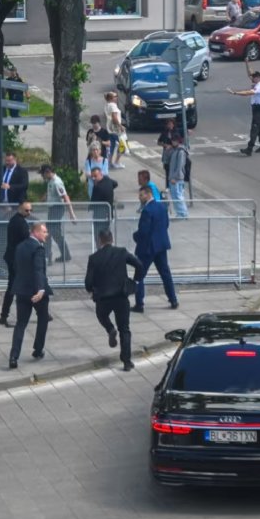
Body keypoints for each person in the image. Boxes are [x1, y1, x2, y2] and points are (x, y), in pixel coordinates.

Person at [85, 229, 144, 371]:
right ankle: (127, 361)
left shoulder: (94, 258)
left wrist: (92, 290)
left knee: (102, 315)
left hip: (103, 298)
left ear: (100, 241)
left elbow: (88, 282)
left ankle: (110, 328)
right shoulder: (121, 252)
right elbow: (139, 265)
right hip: (121, 296)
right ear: (112, 239)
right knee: (125, 329)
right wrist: (135, 280)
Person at [8, 222, 52, 369]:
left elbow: (16, 267)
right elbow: (38, 270)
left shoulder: (20, 246)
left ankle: (14, 356)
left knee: (21, 324)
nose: (47, 234)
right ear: (36, 232)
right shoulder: (38, 248)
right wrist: (40, 289)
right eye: (44, 232)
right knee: (43, 318)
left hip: (21, 289)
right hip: (35, 291)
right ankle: (38, 349)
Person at [132, 185, 178, 313]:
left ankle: (139, 303)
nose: (139, 198)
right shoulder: (162, 207)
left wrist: (135, 236)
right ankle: (173, 299)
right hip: (161, 245)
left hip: (148, 248)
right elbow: (166, 224)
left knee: (139, 275)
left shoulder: (147, 211)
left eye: (141, 195)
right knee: (165, 273)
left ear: (148, 194)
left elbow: (144, 231)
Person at [0, 201, 32, 327]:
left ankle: (4, 315)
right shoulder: (20, 223)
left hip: (13, 258)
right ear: (20, 209)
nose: (29, 213)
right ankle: (4, 315)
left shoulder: (16, 220)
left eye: (30, 210)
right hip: (16, 260)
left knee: (16, 287)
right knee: (16, 287)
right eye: (26, 210)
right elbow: (26, 239)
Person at [228, 61, 260, 156]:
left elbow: (247, 93)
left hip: (259, 108)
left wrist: (235, 93)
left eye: (253, 79)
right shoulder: (257, 81)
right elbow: (250, 73)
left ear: (258, 78)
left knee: (254, 129)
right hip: (256, 108)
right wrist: (247, 62)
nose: (251, 80)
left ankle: (249, 149)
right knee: (259, 128)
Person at [40, 164, 75, 264]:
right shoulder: (50, 180)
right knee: (56, 234)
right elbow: (49, 192)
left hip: (57, 209)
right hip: (52, 209)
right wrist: (43, 198)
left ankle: (48, 256)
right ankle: (65, 254)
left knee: (48, 233)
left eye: (43, 174)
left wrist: (72, 214)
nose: (42, 176)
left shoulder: (57, 182)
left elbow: (65, 197)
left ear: (47, 172)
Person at [89, 167, 116, 242]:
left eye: (95, 176)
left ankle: (100, 250)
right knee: (106, 234)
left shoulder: (98, 187)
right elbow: (115, 183)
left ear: (101, 174)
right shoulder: (108, 180)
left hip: (100, 214)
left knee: (99, 235)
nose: (94, 178)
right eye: (92, 177)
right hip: (108, 213)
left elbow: (94, 201)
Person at [167, 135, 189, 219]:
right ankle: (182, 213)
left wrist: (174, 178)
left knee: (177, 196)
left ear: (178, 141)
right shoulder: (174, 150)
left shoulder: (180, 151)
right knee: (177, 196)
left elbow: (180, 166)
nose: (173, 142)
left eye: (174, 141)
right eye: (172, 141)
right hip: (176, 177)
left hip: (176, 178)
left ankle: (182, 213)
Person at [5, 66, 30, 133]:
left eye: (13, 71)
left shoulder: (19, 79)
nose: (12, 72)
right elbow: (6, 89)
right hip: (11, 98)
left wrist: (28, 97)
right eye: (11, 71)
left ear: (16, 71)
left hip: (18, 98)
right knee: (12, 114)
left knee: (15, 113)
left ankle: (16, 128)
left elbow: (25, 88)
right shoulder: (8, 79)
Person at [104, 91, 125, 170]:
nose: (117, 98)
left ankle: (109, 163)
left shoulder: (107, 105)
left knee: (111, 146)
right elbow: (114, 117)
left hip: (110, 129)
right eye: (115, 96)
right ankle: (117, 162)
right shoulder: (113, 106)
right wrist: (120, 126)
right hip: (116, 129)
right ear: (111, 98)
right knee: (123, 145)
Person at [157, 118, 177, 189]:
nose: (170, 126)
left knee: (174, 170)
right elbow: (159, 142)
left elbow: (179, 142)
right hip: (166, 153)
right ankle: (168, 186)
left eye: (171, 124)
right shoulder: (164, 132)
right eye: (168, 124)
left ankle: (174, 185)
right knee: (167, 170)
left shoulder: (176, 132)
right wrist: (164, 145)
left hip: (174, 153)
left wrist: (171, 146)